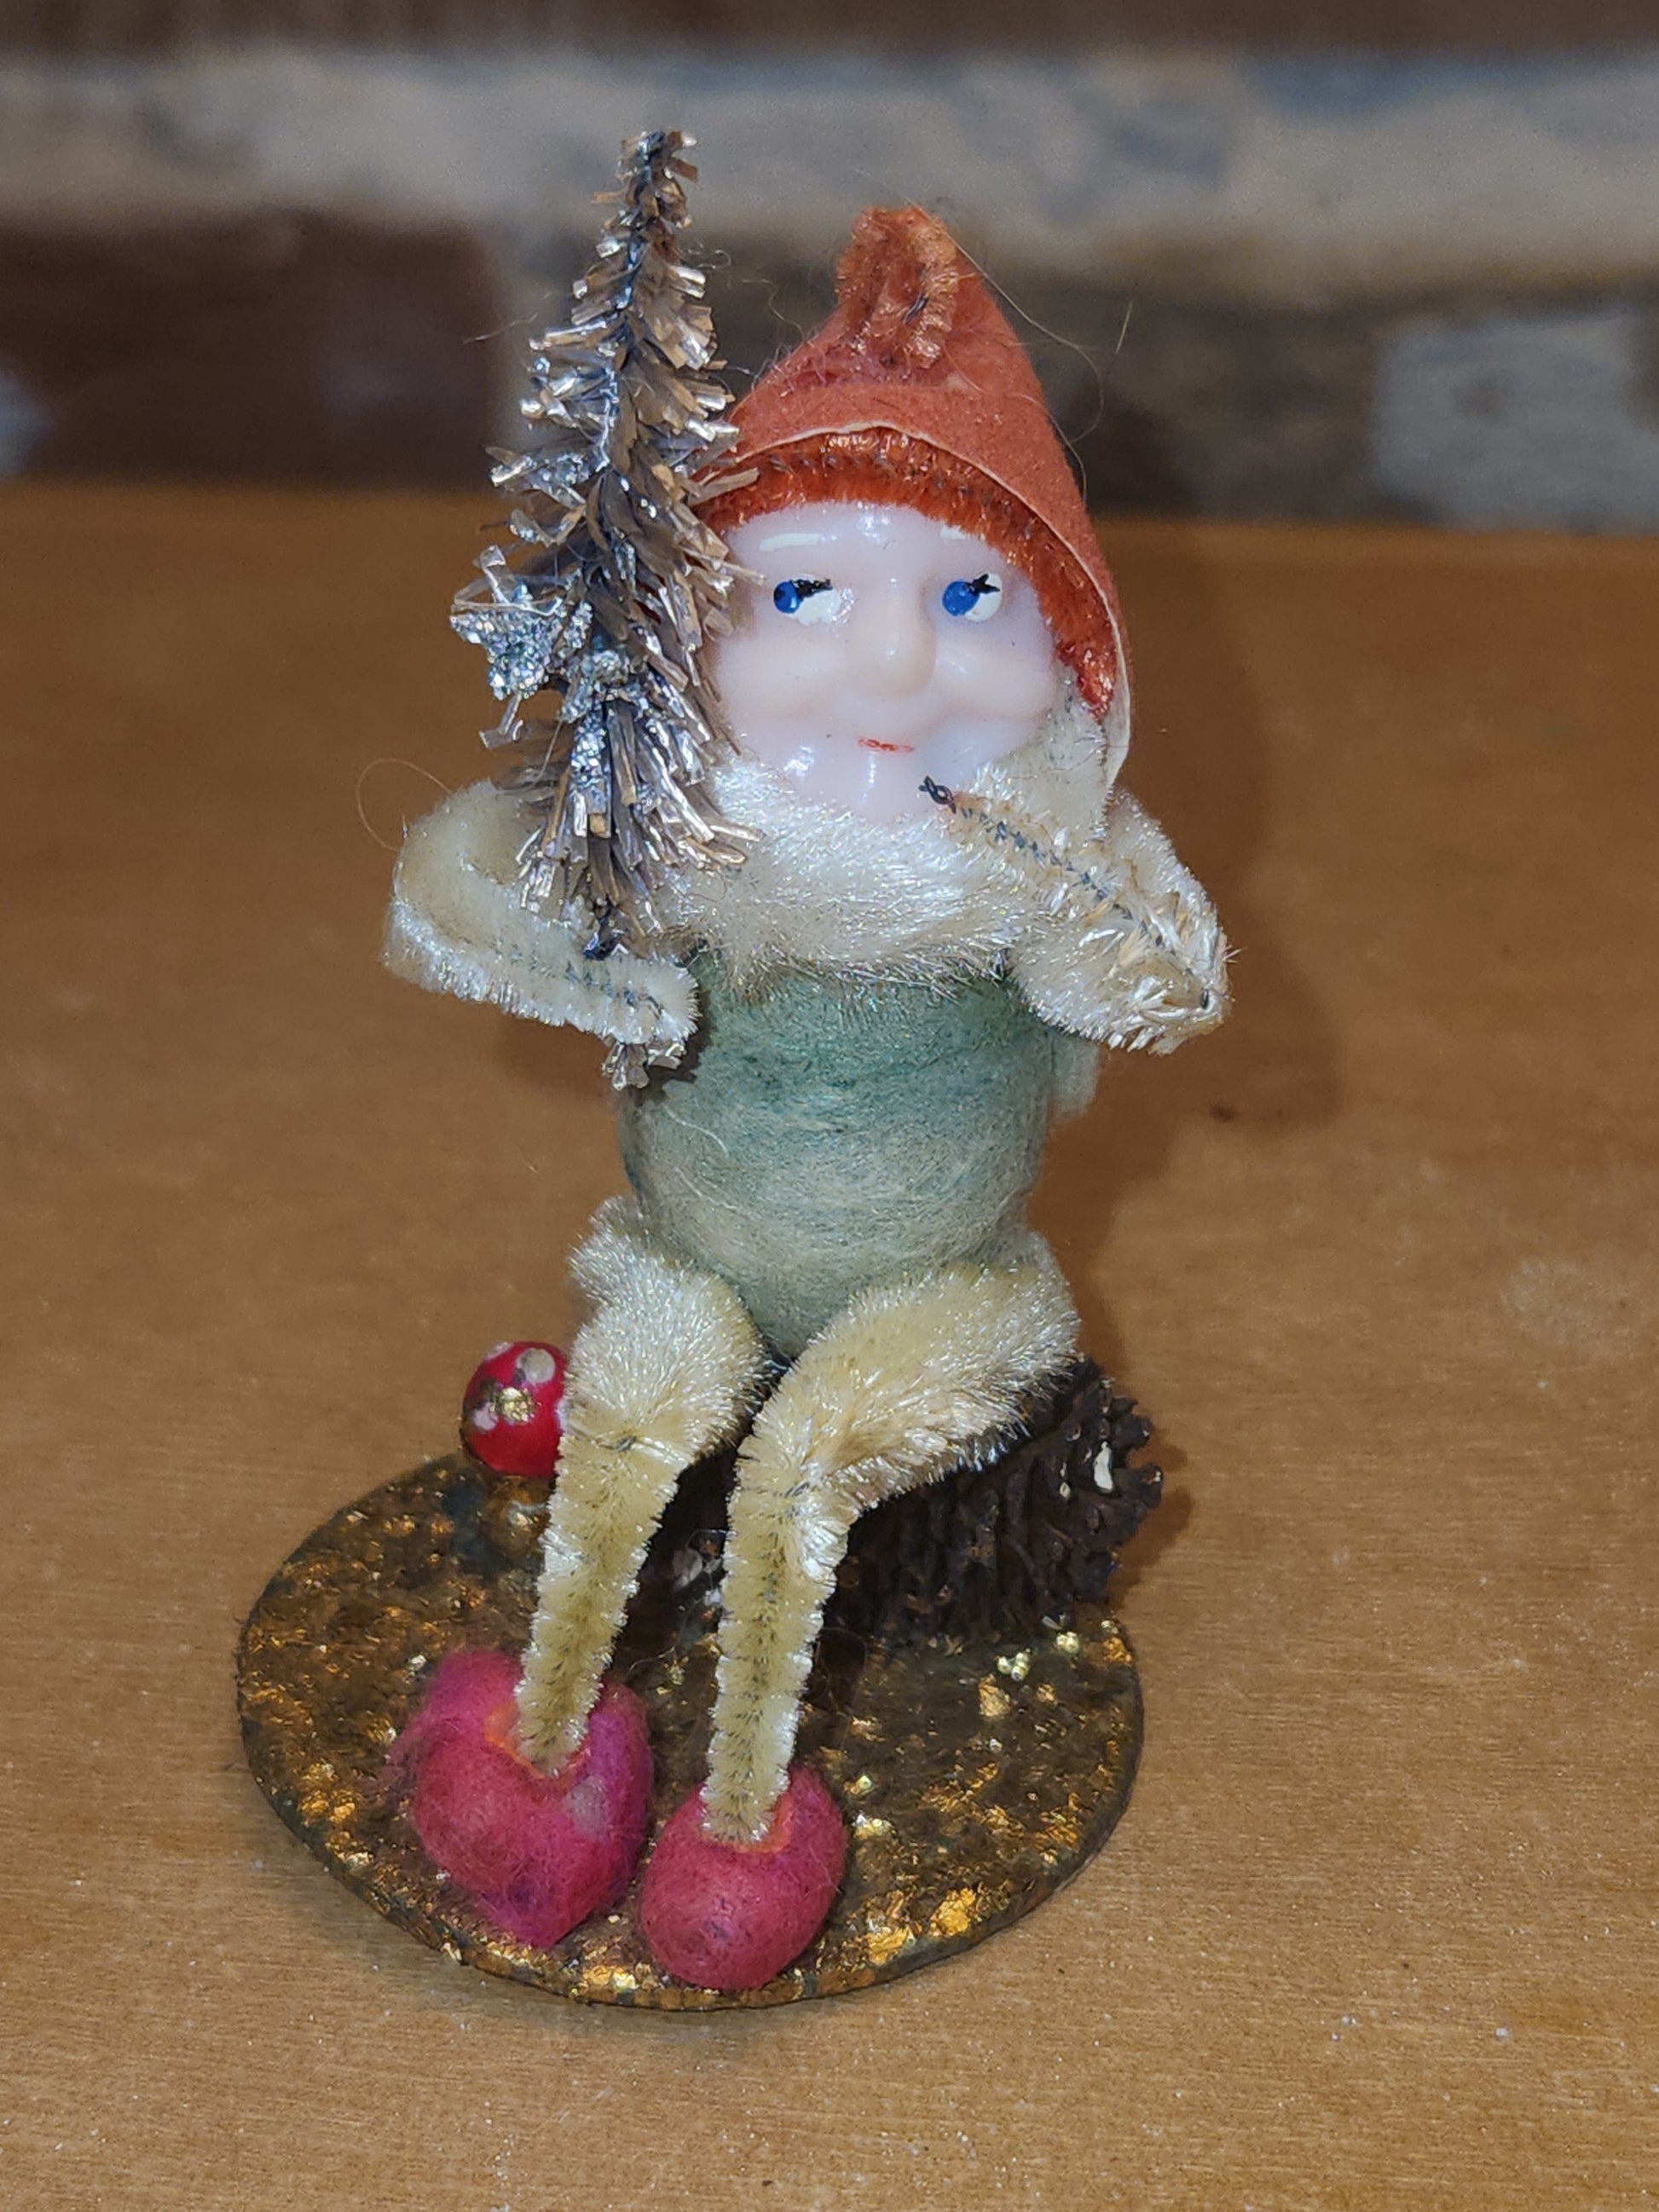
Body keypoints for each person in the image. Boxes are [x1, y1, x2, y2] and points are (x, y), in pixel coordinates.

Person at [384, 205, 1227, 1990]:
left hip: (939, 1286)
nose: (894, 669)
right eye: (802, 596)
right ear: (693, 635)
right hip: (693, 1254)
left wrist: (1067, 883)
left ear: (1066, 647)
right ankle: (538, 1750)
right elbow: (458, 882)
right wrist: (584, 957)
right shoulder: (679, 837)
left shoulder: (1032, 861)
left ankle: (747, 1825)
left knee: (798, 1478)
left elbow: (1159, 983)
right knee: (629, 1426)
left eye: (970, 598)